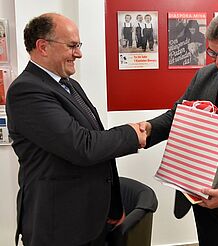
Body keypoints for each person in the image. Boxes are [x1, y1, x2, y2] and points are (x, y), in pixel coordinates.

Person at [6, 13, 147, 246]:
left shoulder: (69, 84)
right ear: (43, 46)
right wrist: (132, 133)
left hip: (90, 219)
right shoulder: (26, 91)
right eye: (72, 46)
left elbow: (96, 140)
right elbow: (83, 146)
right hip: (58, 226)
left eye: (78, 45)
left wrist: (113, 206)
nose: (79, 53)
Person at [140, 8, 218, 246]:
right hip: (206, 205)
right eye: (213, 52)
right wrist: (147, 128)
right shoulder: (205, 76)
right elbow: (178, 117)